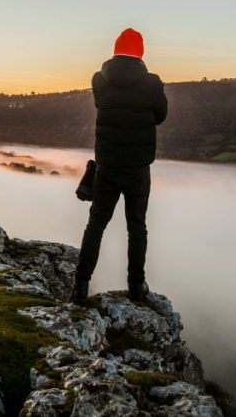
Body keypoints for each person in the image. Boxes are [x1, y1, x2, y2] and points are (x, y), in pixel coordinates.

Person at [72, 27, 168, 304]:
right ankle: (136, 286)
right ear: (140, 52)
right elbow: (160, 116)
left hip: (107, 166)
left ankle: (80, 286)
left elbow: (103, 104)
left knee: (96, 223)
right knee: (136, 226)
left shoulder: (99, 80)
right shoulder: (152, 83)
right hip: (138, 168)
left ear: (115, 50)